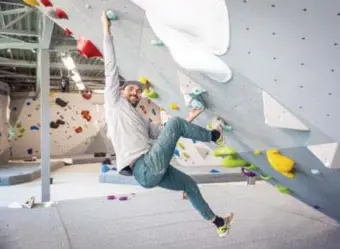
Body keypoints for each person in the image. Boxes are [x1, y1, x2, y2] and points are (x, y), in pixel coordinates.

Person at [101, 10, 234, 238]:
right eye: (131, 88)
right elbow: (110, 70)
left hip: (151, 172)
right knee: (174, 125)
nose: (136, 91)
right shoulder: (113, 103)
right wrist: (106, 30)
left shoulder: (141, 119)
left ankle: (219, 223)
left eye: (139, 91)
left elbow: (166, 132)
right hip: (143, 167)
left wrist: (190, 116)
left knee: (189, 185)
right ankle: (215, 137)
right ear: (121, 91)